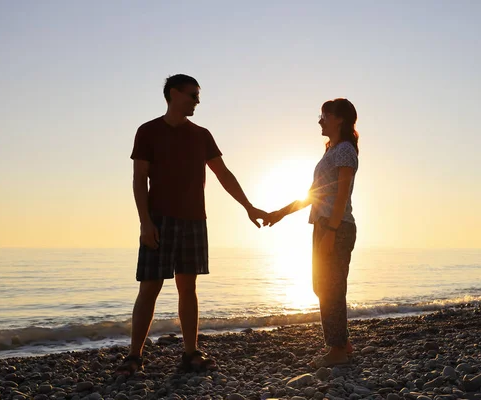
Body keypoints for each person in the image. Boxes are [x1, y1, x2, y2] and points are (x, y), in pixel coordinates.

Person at [116, 74, 268, 375]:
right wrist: (145, 223)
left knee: (189, 288)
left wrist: (248, 207)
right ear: (174, 94)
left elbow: (223, 174)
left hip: (194, 220)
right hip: (159, 220)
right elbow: (138, 180)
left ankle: (190, 353)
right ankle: (134, 356)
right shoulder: (148, 131)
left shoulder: (202, 135)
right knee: (150, 288)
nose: (197, 101)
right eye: (193, 95)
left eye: (198, 96)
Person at [265, 98, 359, 368]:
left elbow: (342, 196)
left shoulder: (344, 150)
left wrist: (330, 229)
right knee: (322, 286)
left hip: (336, 226)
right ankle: (342, 342)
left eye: (325, 116)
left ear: (339, 119)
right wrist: (279, 214)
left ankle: (338, 349)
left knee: (330, 287)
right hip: (325, 225)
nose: (320, 120)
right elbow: (312, 195)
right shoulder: (331, 152)